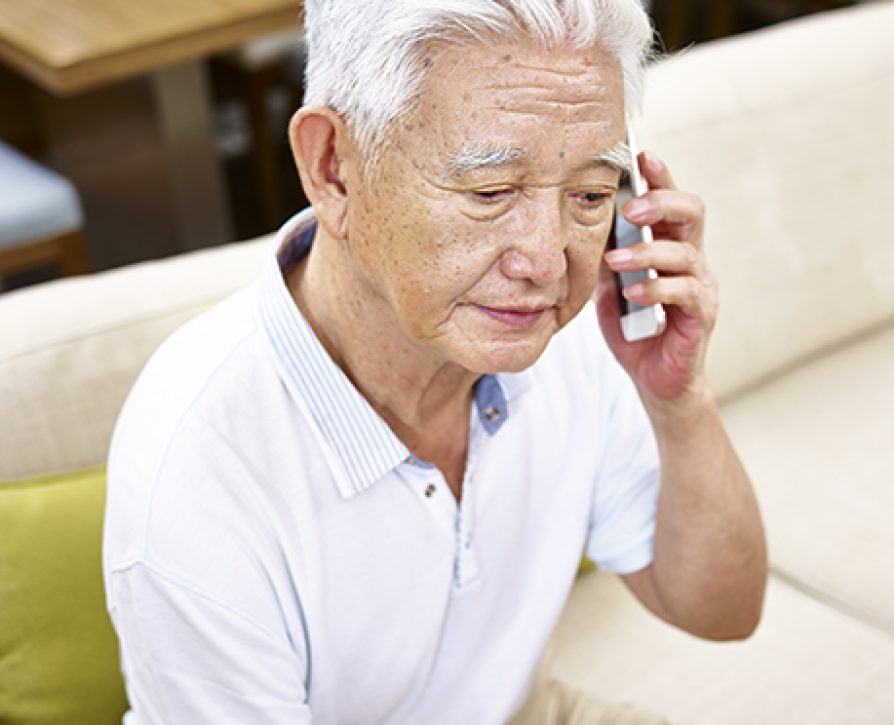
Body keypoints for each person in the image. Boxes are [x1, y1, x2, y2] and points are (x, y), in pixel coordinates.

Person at [102, 1, 767, 722]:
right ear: (332, 168)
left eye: (589, 194)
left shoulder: (570, 332)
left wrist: (680, 399)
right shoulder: (198, 468)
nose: (546, 262)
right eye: (489, 191)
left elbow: (721, 610)